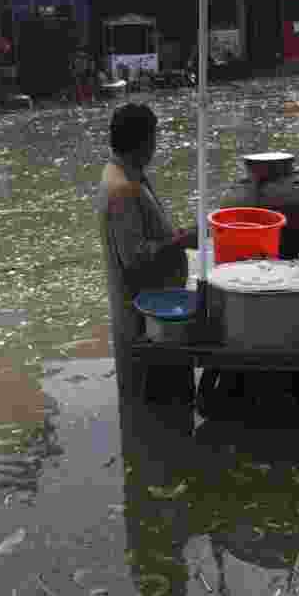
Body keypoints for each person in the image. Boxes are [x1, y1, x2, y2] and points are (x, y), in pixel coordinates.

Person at [97, 104, 198, 398]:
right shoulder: (122, 188)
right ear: (143, 142)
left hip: (153, 310)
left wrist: (176, 235)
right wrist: (180, 242)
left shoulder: (123, 173)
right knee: (162, 402)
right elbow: (135, 258)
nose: (156, 146)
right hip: (148, 319)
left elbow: (143, 237)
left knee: (148, 408)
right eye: (154, 138)